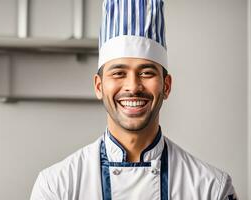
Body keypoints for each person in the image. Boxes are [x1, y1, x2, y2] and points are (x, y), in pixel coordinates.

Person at [30, 0, 238, 199]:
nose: (133, 86)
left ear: (166, 86)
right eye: (119, 73)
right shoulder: (56, 186)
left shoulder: (212, 188)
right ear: (99, 86)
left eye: (146, 72)